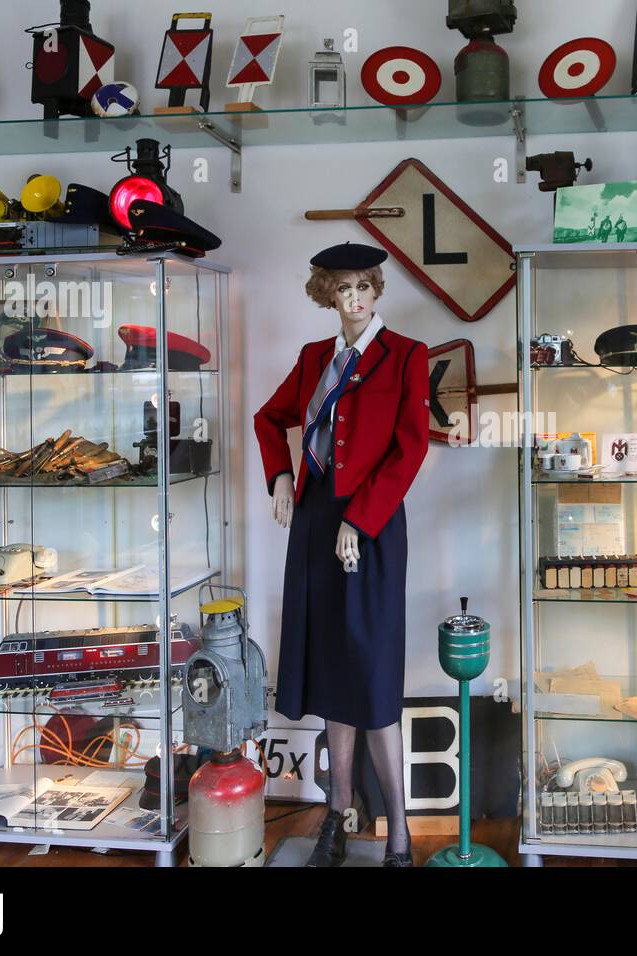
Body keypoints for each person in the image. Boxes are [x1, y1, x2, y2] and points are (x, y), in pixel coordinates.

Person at [254, 242, 431, 868]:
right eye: (341, 289)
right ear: (327, 293)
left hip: (372, 527)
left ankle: (401, 836)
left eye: (363, 287)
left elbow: (409, 449)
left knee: (374, 676)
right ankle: (337, 815)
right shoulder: (312, 359)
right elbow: (268, 419)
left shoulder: (406, 356)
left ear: (377, 289)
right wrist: (280, 476)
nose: (353, 300)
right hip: (315, 525)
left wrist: (359, 518)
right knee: (331, 670)